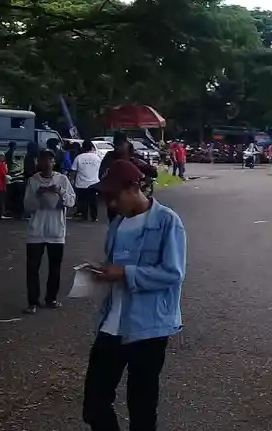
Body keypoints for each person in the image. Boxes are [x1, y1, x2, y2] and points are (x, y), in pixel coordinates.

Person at [82, 160, 187, 431]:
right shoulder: (117, 224)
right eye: (106, 197)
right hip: (112, 324)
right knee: (94, 405)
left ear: (133, 187)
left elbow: (173, 273)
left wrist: (125, 272)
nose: (111, 204)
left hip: (148, 328)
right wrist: (103, 273)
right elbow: (115, 266)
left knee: (141, 408)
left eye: (114, 196)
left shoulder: (167, 221)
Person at [23, 150, 76, 314]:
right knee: (32, 268)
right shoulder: (33, 181)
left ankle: (51, 298)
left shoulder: (62, 179)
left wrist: (59, 191)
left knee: (55, 267)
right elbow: (27, 206)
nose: (47, 163)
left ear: (54, 162)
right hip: (36, 232)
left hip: (56, 231)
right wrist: (38, 195)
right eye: (43, 160)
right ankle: (33, 302)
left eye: (50, 160)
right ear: (38, 162)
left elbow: (72, 201)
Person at [72, 140, 103, 221]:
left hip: (81, 183)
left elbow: (74, 170)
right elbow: (100, 170)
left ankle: (84, 215)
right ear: (92, 147)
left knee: (83, 200)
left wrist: (73, 181)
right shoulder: (97, 157)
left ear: (83, 148)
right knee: (93, 201)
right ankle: (94, 217)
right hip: (94, 183)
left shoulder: (78, 157)